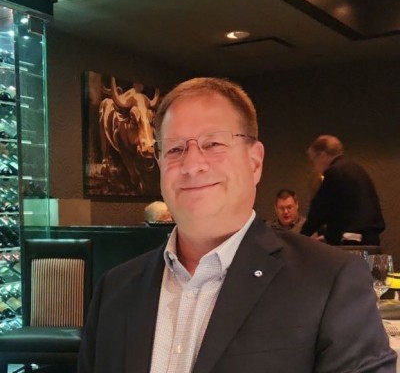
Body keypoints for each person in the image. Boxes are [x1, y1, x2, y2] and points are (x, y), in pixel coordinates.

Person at [78, 78, 395, 372]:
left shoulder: (330, 281)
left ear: (255, 162)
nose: (192, 164)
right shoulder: (114, 290)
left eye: (213, 144)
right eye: (174, 149)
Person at [301, 134, 385, 246]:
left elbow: (319, 210)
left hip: (352, 242)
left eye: (313, 160)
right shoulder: (357, 169)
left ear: (322, 155)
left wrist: (300, 237)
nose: (314, 166)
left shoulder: (334, 172)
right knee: (370, 259)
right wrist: (328, 236)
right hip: (371, 239)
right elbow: (347, 209)